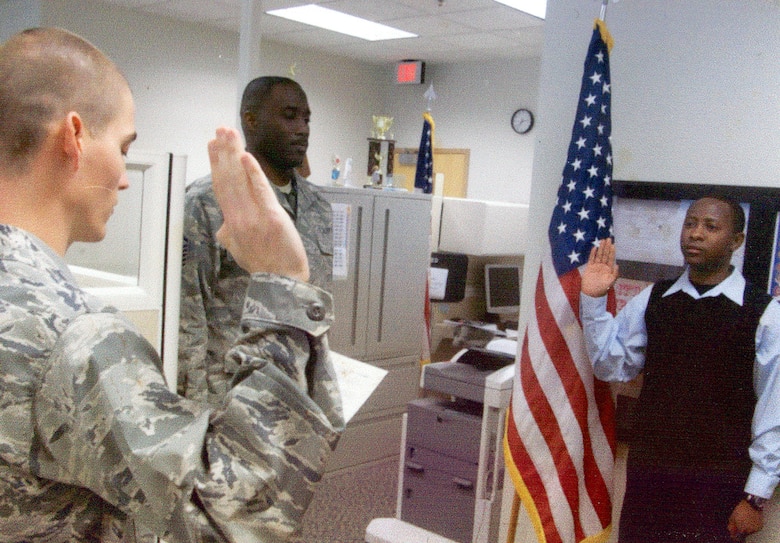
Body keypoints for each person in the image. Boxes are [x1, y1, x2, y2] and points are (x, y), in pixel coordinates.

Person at [0, 27, 343, 543]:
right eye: (123, 146)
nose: (123, 176)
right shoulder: (75, 338)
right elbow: (237, 512)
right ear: (73, 138)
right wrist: (285, 285)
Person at [580, 195, 780, 542]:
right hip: (650, 477)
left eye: (710, 227)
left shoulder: (764, 314)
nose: (696, 234)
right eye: (690, 223)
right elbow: (611, 366)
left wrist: (755, 497)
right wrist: (594, 300)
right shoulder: (654, 299)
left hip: (719, 485)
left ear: (736, 241)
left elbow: (774, 412)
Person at [179, 76, 333, 405]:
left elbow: (316, 305)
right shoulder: (206, 202)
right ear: (251, 120)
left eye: (306, 119)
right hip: (234, 392)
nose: (303, 128)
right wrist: (193, 410)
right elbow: (188, 314)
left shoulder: (318, 205)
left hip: (299, 390)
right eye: (290, 116)